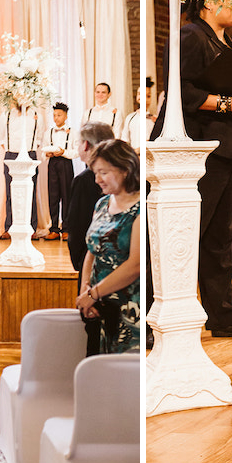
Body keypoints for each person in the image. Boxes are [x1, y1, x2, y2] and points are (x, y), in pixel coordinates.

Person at [152, 0, 232, 338]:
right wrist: (227, 104)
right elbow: (179, 91)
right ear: (207, 3)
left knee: (221, 238)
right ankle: (167, 312)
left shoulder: (227, 42)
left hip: (229, 147)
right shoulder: (191, 35)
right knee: (188, 233)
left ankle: (223, 316)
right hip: (199, 148)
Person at [75, 139, 141, 354]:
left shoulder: (142, 208)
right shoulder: (102, 204)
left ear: (124, 169)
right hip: (96, 305)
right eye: (95, 172)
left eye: (103, 172)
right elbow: (92, 251)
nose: (97, 179)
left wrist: (93, 294)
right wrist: (86, 289)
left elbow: (135, 265)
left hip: (127, 307)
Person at [65, 121, 116, 354]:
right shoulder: (127, 178)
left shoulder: (85, 180)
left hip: (93, 272)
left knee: (95, 341)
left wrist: (81, 271)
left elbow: (76, 230)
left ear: (85, 145)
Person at [0, 101, 42, 239]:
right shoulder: (6, 115)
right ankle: (9, 227)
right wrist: (11, 150)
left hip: (30, 154)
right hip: (11, 154)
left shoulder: (36, 115)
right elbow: (1, 137)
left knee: (30, 191)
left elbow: (39, 137)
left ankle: (32, 228)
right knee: (10, 192)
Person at [43, 102, 76, 240]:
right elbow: (44, 149)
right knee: (53, 196)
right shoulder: (48, 132)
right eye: (54, 115)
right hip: (53, 164)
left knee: (67, 196)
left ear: (66, 116)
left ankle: (67, 228)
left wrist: (64, 152)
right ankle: (54, 229)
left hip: (66, 163)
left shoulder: (73, 132)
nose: (56, 118)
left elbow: (76, 152)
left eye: (59, 115)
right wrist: (48, 154)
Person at [122, 78, 155, 151]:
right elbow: (125, 139)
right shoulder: (130, 117)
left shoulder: (154, 119)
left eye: (148, 96)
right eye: (140, 94)